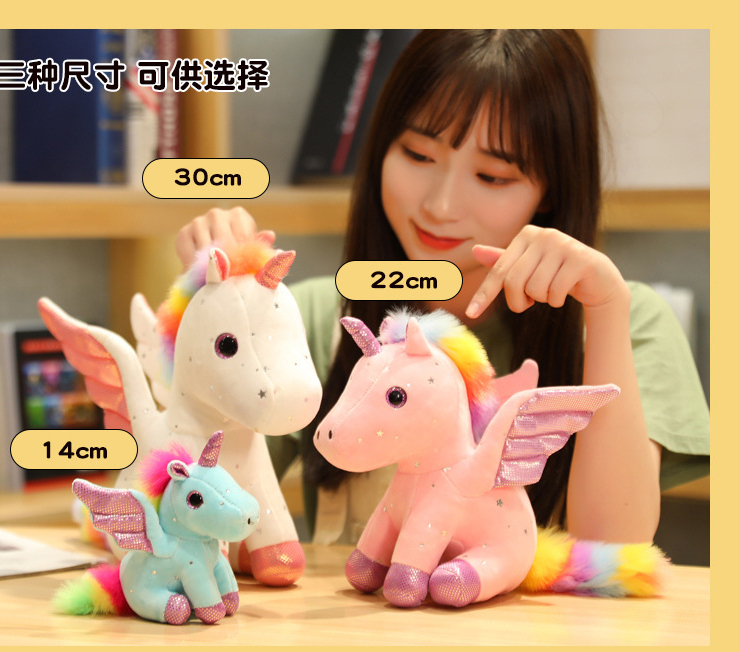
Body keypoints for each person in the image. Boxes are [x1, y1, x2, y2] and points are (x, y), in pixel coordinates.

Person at [175, 30, 710, 546]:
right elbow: (192, 511)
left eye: (492, 176)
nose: (441, 205)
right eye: (418, 155)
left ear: (551, 190)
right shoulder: (313, 318)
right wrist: (210, 307)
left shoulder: (627, 320)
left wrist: (607, 310)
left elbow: (615, 547)